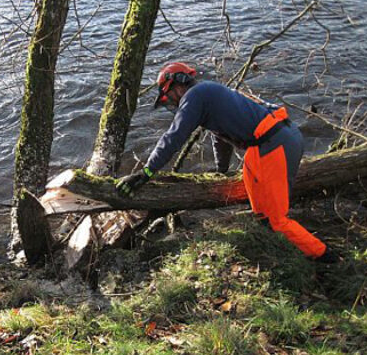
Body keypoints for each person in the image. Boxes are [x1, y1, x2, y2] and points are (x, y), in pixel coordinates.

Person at [116, 62, 336, 263]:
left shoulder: (194, 96)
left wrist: (146, 172)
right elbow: (220, 137)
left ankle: (324, 256)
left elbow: (174, 136)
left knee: (276, 219)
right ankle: (276, 241)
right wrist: (221, 170)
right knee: (260, 208)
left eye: (169, 97)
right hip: (281, 138)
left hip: (273, 145)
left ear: (178, 84)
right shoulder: (209, 93)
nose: (173, 103)